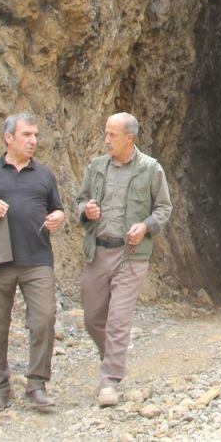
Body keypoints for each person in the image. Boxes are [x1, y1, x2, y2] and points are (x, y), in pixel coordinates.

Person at [0, 112, 65, 415]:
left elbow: (56, 208)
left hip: (38, 260)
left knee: (44, 318)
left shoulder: (45, 175)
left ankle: (37, 385)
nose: (33, 141)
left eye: (36, 135)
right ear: (9, 138)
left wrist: (59, 216)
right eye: (27, 135)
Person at [76, 112, 173, 407]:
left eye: (112, 135)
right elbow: (79, 201)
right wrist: (85, 210)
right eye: (106, 133)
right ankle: (113, 360)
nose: (106, 140)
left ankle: (109, 380)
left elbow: (164, 209)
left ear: (129, 138)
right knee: (93, 318)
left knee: (118, 320)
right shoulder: (96, 167)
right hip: (98, 252)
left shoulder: (150, 169)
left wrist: (145, 226)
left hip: (131, 256)